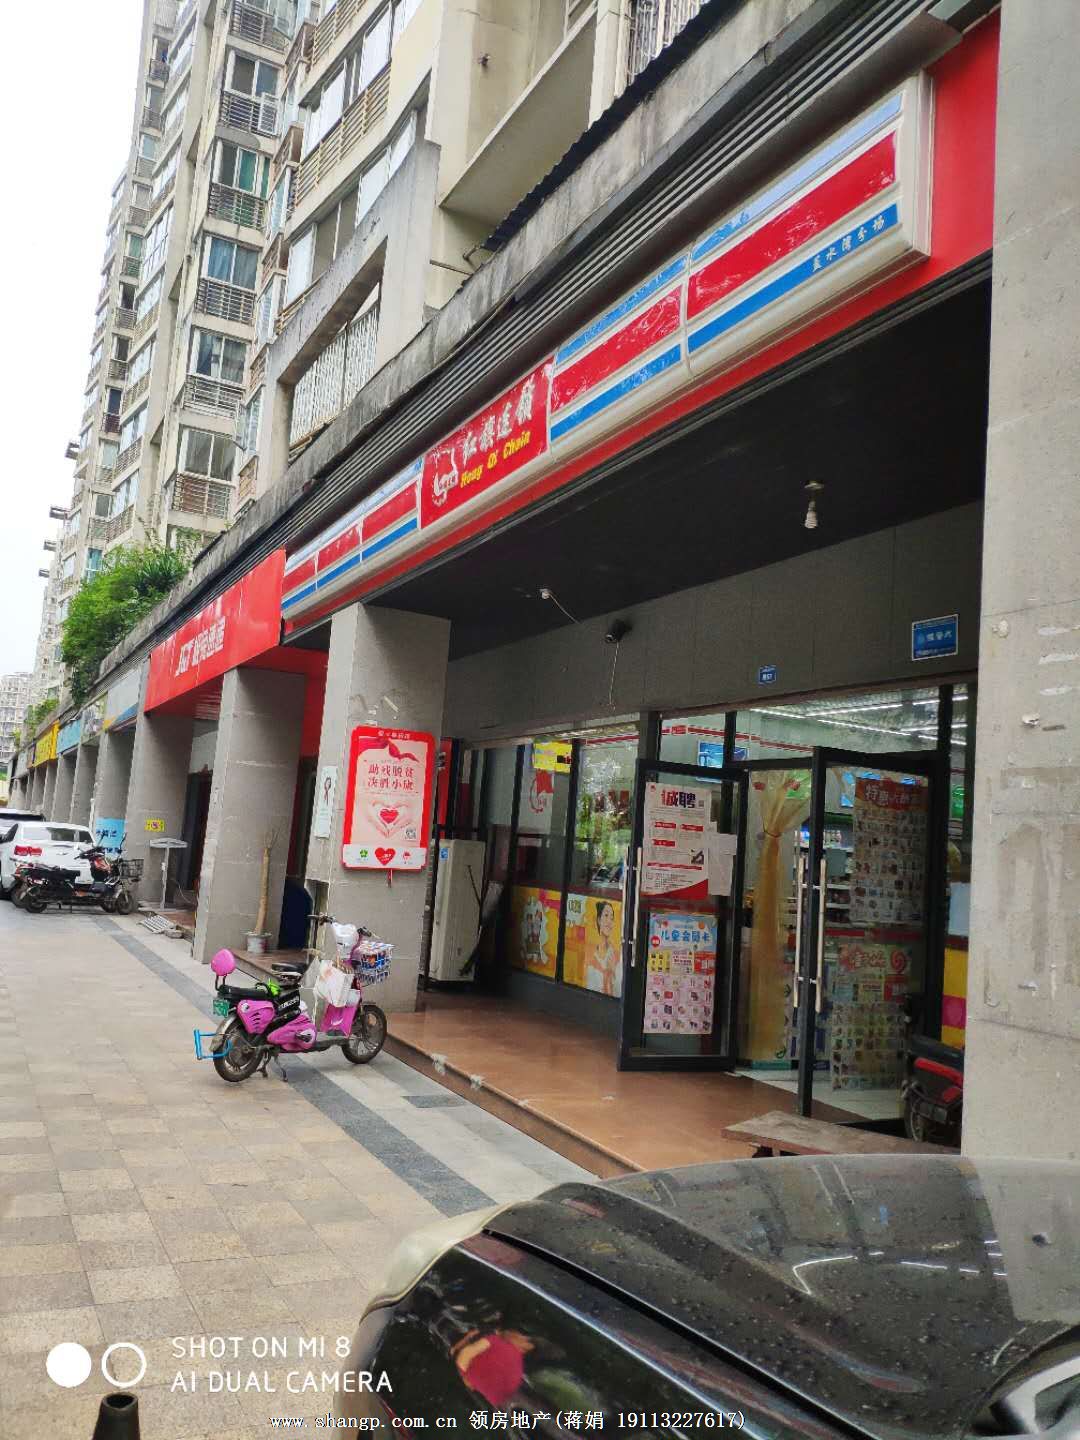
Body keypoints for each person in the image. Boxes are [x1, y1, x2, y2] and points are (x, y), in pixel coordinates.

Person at [584, 899, 620, 996]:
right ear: (599, 920)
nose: (609, 921)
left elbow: (620, 994)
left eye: (612, 918)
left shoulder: (617, 957)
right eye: (606, 915)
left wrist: (613, 971)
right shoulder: (591, 958)